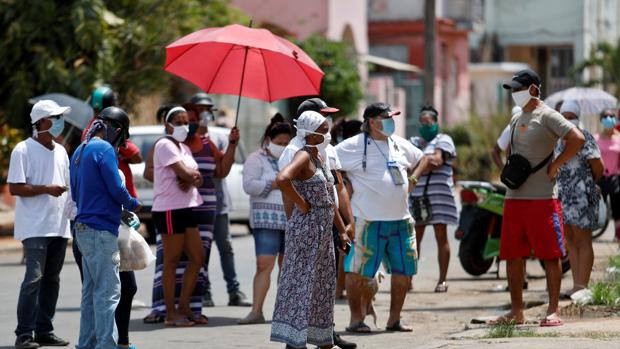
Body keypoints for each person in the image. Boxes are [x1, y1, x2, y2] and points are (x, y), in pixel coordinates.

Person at [495, 69, 585, 327]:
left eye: (518, 88)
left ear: (533, 88)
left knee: (550, 255)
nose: (515, 94)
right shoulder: (517, 118)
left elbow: (575, 138)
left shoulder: (547, 115)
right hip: (514, 198)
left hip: (543, 198)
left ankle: (553, 310)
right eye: (512, 89)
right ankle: (516, 311)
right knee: (512, 255)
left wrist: (557, 164)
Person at [336, 102, 427, 333]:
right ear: (372, 122)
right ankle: (356, 320)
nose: (390, 121)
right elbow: (329, 162)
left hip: (402, 221)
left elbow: (422, 158)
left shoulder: (398, 143)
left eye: (392, 116)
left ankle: (394, 320)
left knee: (404, 272)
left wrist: (413, 179)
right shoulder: (355, 145)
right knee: (356, 273)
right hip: (368, 221)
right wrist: (342, 187)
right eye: (386, 117)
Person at [279, 98, 357, 349]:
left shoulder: (319, 156)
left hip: (324, 231)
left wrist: (342, 229)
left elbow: (329, 196)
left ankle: (324, 338)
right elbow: (282, 180)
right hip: (306, 231)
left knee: (324, 285)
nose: (328, 133)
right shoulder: (300, 154)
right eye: (323, 130)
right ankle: (295, 340)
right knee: (303, 284)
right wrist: (301, 204)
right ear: (310, 133)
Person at [73, 87, 141, 349]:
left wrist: (117, 208)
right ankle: (106, 345)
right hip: (101, 231)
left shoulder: (80, 150)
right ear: (116, 129)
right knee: (109, 293)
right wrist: (133, 204)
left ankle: (86, 344)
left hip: (82, 228)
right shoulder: (104, 149)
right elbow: (116, 188)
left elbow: (79, 192)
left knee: (90, 292)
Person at [9, 100, 72, 349]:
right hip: (34, 227)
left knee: (52, 280)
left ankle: (44, 330)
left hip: (58, 225)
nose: (59, 122)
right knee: (34, 279)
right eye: (55, 117)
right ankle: (24, 334)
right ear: (41, 122)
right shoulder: (22, 150)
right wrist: (47, 189)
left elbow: (67, 185)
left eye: (59, 117)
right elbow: (15, 187)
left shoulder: (61, 151)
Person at [189, 93, 250, 307]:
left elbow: (222, 170)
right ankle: (204, 291)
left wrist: (232, 145)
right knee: (200, 248)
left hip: (218, 202)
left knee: (225, 246)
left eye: (207, 109)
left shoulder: (218, 137)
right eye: (199, 110)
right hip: (195, 205)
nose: (203, 114)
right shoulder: (185, 138)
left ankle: (234, 291)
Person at [151, 106, 206, 327]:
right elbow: (186, 173)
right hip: (169, 210)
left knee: (197, 256)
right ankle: (170, 313)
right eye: (179, 122)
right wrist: (189, 176)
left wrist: (190, 177)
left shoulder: (184, 147)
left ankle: (184, 307)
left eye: (186, 122)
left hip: (186, 206)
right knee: (172, 261)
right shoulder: (164, 144)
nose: (185, 126)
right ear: (168, 125)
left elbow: (197, 177)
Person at [239, 114, 292, 324]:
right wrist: (275, 183)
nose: (283, 146)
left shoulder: (293, 158)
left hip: (290, 218)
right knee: (264, 265)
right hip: (265, 220)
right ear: (269, 140)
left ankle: (285, 313)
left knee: (288, 268)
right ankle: (256, 311)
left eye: (286, 143)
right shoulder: (255, 159)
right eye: (279, 143)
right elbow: (249, 185)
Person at [555, 100, 604, 297]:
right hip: (564, 196)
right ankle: (577, 286)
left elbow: (598, 167)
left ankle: (583, 286)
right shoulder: (558, 140)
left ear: (577, 117)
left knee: (583, 241)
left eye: (571, 116)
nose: (567, 120)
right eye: (563, 117)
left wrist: (587, 183)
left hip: (583, 196)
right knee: (571, 241)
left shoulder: (585, 137)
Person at [409, 105, 458, 293]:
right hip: (418, 197)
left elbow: (437, 160)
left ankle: (442, 280)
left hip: (440, 197)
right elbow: (409, 163)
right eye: (422, 122)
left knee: (441, 236)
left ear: (436, 123)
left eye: (428, 123)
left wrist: (420, 163)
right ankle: (409, 280)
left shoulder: (444, 140)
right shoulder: (413, 141)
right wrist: (427, 161)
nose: (425, 126)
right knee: (415, 239)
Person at [595, 109, 620, 245]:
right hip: (599, 178)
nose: (609, 118)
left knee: (617, 209)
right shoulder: (595, 138)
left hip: (615, 178)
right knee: (598, 210)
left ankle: (618, 239)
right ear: (601, 120)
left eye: (611, 116)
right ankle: (591, 238)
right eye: (605, 116)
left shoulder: (618, 138)